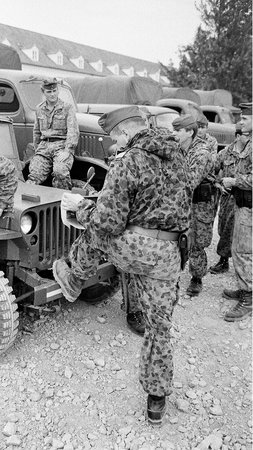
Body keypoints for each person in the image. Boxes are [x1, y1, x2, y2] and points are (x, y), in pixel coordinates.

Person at [53, 105, 192, 425]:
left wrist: (81, 208)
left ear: (127, 132)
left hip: (135, 249)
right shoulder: (179, 155)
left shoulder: (130, 161)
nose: (116, 142)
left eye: (116, 136)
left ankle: (74, 277)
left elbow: (108, 222)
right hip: (169, 253)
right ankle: (156, 401)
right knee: (159, 328)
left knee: (94, 230)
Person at [172, 114, 216, 296]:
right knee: (177, 238)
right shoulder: (179, 148)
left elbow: (190, 181)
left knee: (197, 242)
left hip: (199, 205)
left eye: (177, 130)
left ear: (190, 132)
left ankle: (196, 278)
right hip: (182, 202)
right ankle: (174, 272)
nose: (173, 133)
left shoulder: (201, 152)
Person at [222, 103, 252, 322]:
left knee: (244, 252)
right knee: (239, 249)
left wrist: (234, 181)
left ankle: (248, 298)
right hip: (242, 204)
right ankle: (244, 289)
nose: (241, 122)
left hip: (249, 207)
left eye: (246, 118)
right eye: (241, 118)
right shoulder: (246, 143)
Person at [27, 78, 79, 190]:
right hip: (44, 147)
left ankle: (61, 201)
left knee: (60, 172)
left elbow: (73, 131)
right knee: (34, 175)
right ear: (43, 92)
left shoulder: (67, 108)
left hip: (61, 146)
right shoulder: (39, 109)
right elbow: (36, 132)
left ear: (58, 90)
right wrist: (38, 151)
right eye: (49, 92)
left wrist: (68, 151)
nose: (52, 94)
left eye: (54, 91)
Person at [209, 124, 247, 274]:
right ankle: (223, 261)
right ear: (237, 136)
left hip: (245, 198)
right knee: (224, 228)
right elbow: (212, 171)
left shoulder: (250, 153)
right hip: (228, 198)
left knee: (243, 232)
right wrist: (218, 185)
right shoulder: (225, 153)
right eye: (246, 135)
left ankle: (243, 268)